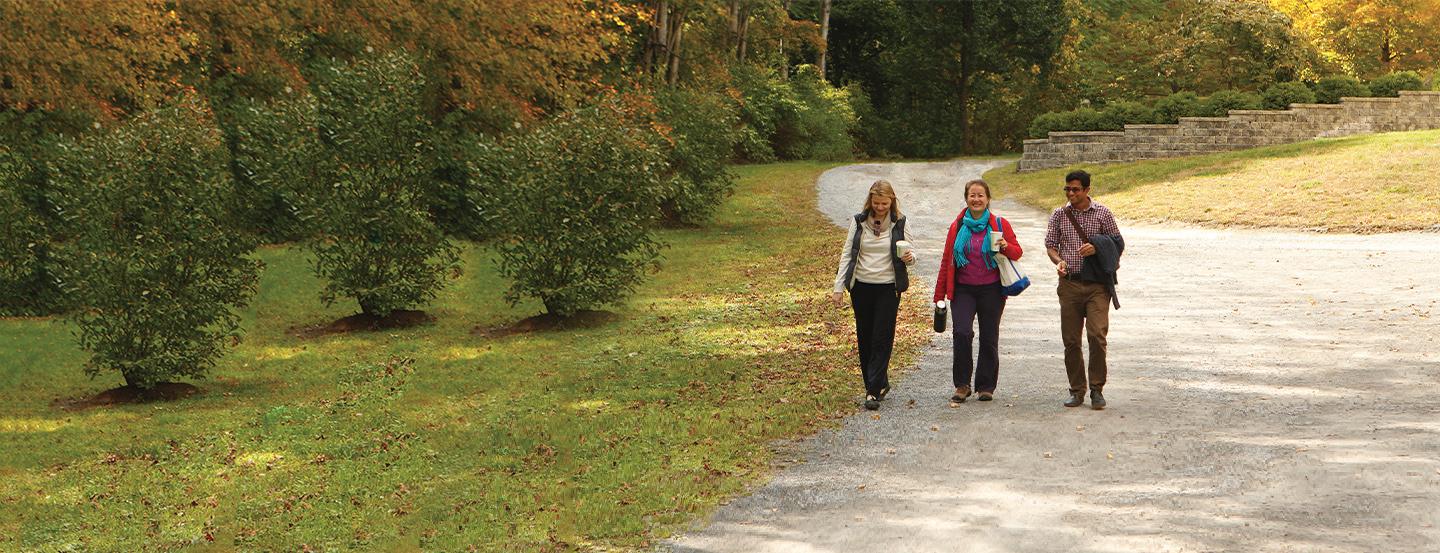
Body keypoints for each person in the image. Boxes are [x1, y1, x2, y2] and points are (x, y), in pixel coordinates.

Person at [933, 179, 1023, 406]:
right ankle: (962, 385)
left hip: (992, 289)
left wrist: (1005, 245)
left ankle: (985, 386)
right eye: (972, 195)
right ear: (966, 198)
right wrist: (939, 295)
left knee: (989, 336)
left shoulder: (999, 224)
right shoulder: (957, 226)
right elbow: (947, 261)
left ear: (988, 199)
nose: (976, 199)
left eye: (980, 195)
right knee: (962, 333)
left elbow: (1017, 252)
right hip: (963, 289)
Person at [832, 180, 916, 411]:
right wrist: (838, 288)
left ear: (892, 201)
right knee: (865, 337)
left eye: (885, 203)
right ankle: (878, 382)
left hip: (889, 287)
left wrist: (910, 258)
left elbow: (912, 252)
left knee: (882, 336)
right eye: (876, 203)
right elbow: (847, 255)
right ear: (870, 201)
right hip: (861, 287)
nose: (880, 207)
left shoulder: (900, 222)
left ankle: (872, 391)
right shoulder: (859, 222)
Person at [1044, 170, 1124, 410]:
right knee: (1071, 340)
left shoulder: (1103, 213)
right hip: (1069, 284)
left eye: (1076, 189)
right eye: (1067, 189)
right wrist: (1058, 261)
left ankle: (1097, 389)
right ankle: (1077, 390)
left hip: (1097, 287)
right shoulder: (1059, 214)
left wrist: (1097, 247)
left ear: (1087, 190)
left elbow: (1118, 244)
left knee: (1097, 336)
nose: (1071, 194)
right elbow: (1050, 245)